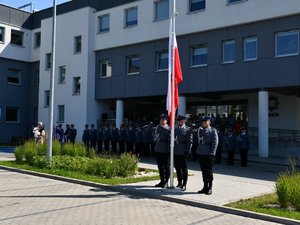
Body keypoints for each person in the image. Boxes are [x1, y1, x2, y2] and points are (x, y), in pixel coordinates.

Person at [196, 116, 218, 195]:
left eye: (206, 121)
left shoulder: (213, 131)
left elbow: (215, 143)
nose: (204, 123)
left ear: (209, 122)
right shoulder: (200, 130)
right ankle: (205, 186)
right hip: (201, 153)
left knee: (209, 172)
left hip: (209, 154)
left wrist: (212, 153)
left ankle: (210, 187)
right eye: (203, 122)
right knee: (203, 171)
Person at [174, 115, 192, 191]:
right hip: (175, 150)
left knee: (184, 169)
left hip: (183, 150)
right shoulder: (175, 128)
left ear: (184, 121)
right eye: (178, 121)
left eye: (181, 121)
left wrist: (188, 151)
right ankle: (179, 182)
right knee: (177, 168)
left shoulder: (187, 129)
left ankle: (184, 184)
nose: (179, 122)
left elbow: (190, 141)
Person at [154, 114, 170, 188]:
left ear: (166, 120)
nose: (162, 121)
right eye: (161, 120)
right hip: (158, 148)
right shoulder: (157, 127)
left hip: (165, 148)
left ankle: (166, 181)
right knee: (160, 167)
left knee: (166, 166)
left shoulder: (169, 128)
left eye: (164, 119)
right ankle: (162, 181)